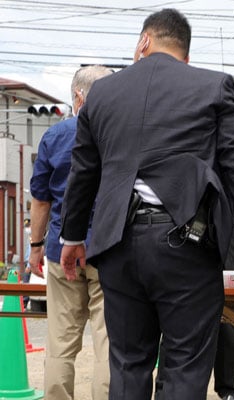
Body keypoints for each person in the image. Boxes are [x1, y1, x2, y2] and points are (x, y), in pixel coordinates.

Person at [59, 9, 234, 400]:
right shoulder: (213, 86)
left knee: (128, 364)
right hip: (185, 242)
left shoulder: (101, 93)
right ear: (184, 55)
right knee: (185, 366)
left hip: (117, 244)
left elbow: (83, 171)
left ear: (144, 42)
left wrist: (72, 237)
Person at [28, 65, 112, 400]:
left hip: (61, 249)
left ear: (78, 95)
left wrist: (35, 247)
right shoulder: (118, 135)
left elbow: (41, 202)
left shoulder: (55, 136)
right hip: (109, 250)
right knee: (109, 344)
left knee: (61, 343)